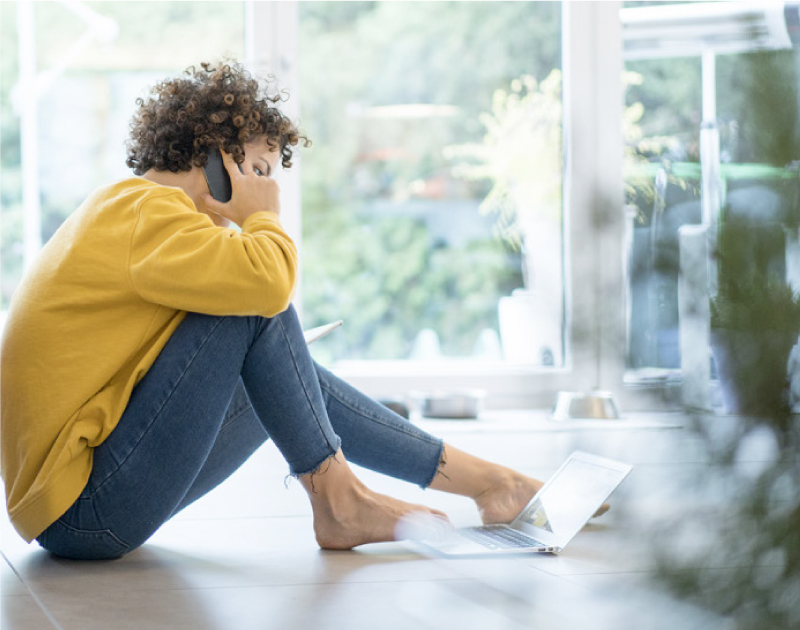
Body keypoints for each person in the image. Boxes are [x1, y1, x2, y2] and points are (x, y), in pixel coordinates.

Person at [0, 61, 547, 561]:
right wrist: (265, 216)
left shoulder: (140, 215)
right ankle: (342, 501)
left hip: (86, 508)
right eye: (258, 168)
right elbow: (267, 286)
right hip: (85, 511)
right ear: (214, 157)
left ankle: (490, 484)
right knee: (253, 301)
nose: (264, 185)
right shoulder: (148, 212)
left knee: (282, 363)